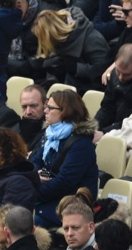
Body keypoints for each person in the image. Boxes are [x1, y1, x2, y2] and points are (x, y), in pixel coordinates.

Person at [29, 89, 98, 228]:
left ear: (65, 111)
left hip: (69, 203)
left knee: (22, 222)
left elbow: (65, 182)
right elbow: (34, 160)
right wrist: (36, 175)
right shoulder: (51, 134)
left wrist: (33, 192)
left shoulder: (81, 143)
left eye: (50, 107)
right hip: (49, 194)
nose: (45, 111)